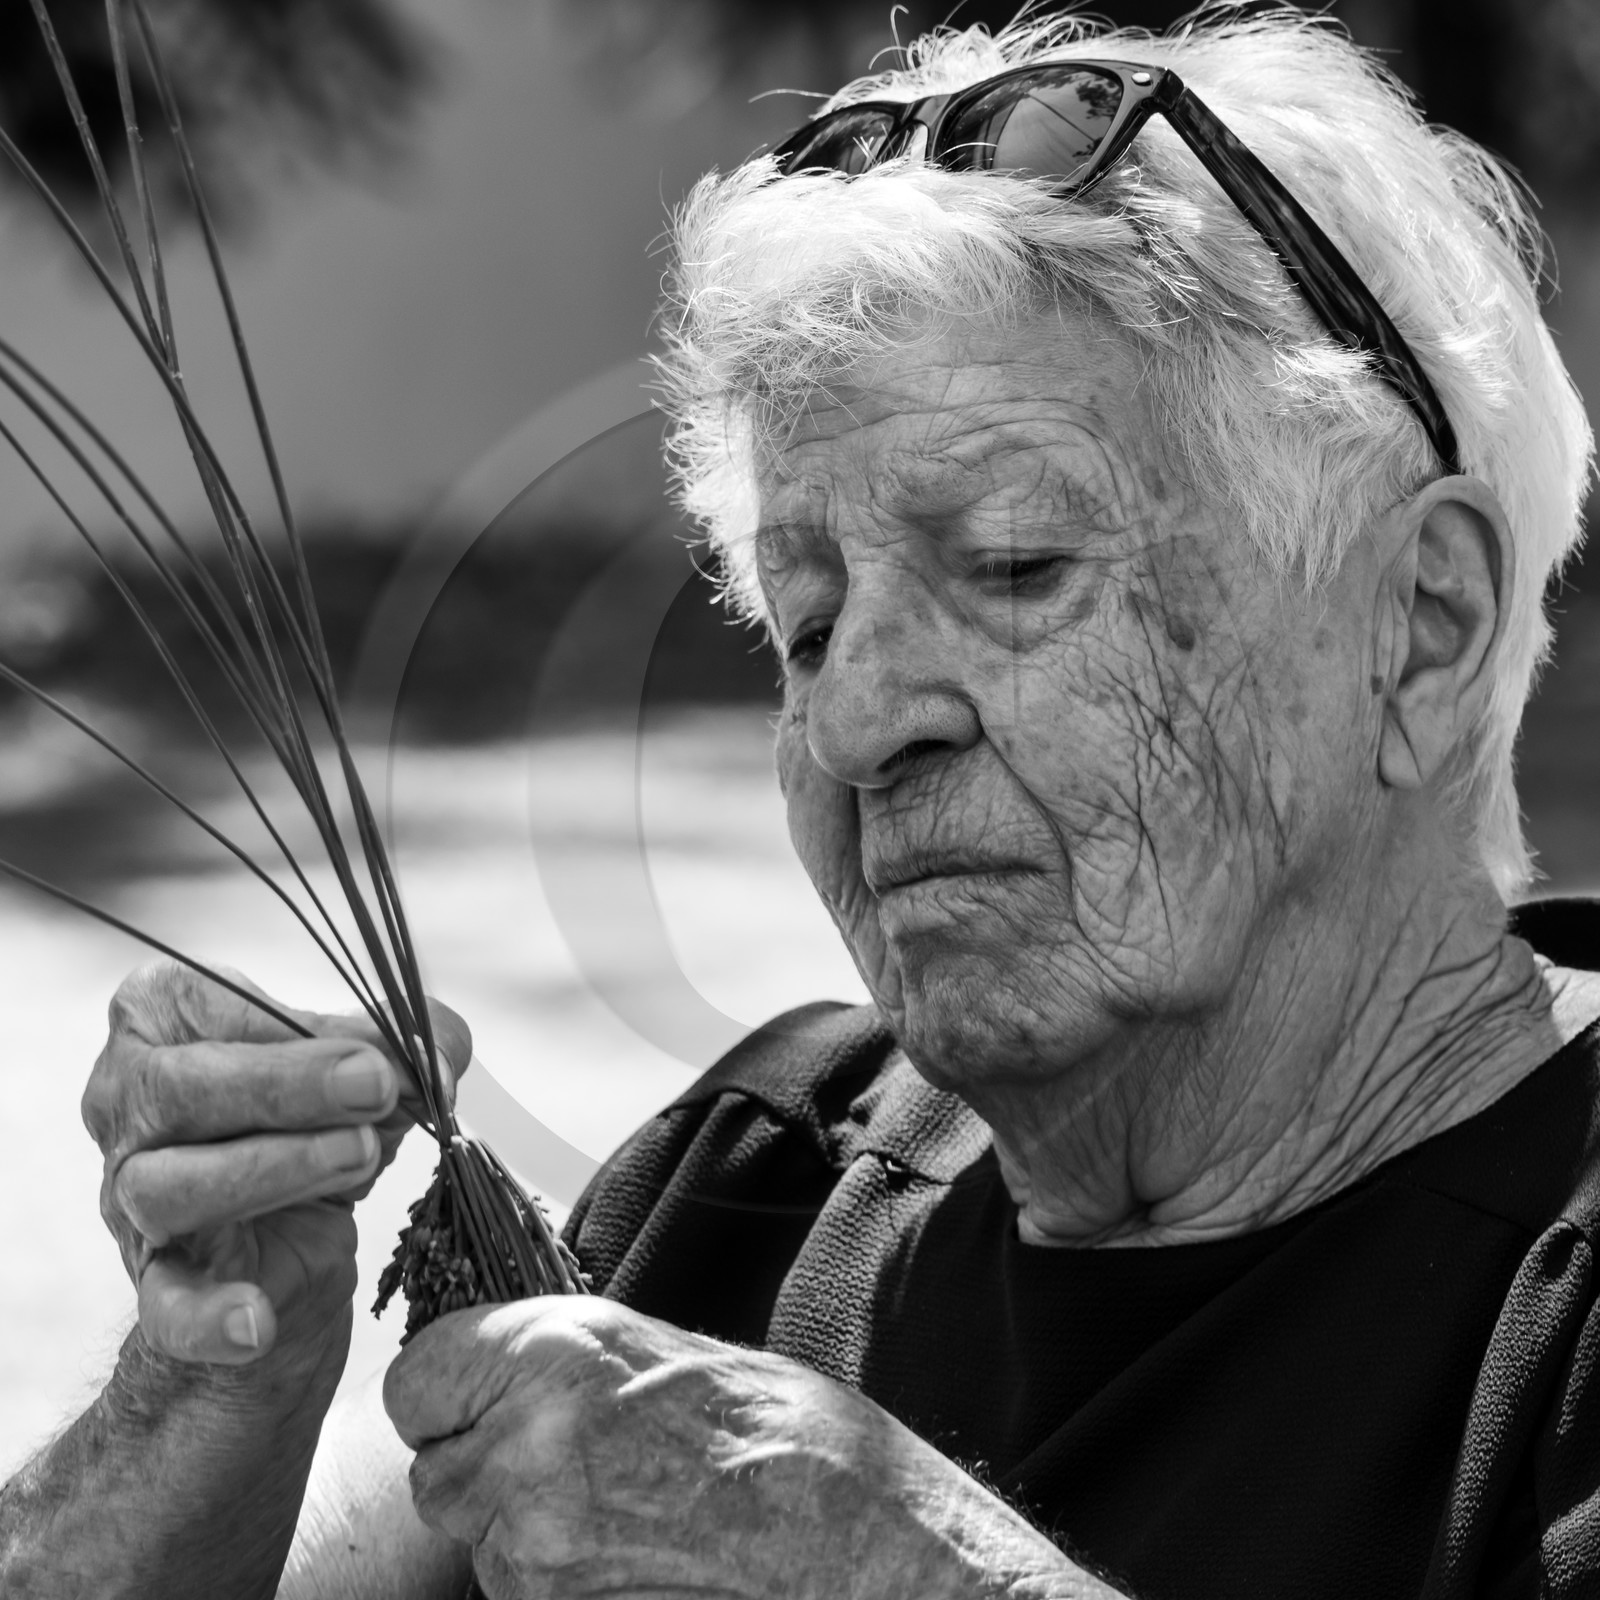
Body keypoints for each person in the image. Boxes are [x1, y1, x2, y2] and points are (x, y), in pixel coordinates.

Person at [3, 10, 1599, 1598]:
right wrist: (210, 1385)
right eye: (807, 622)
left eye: (1017, 567)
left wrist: (899, 1569)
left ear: (1420, 626)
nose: (850, 721)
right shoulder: (748, 1188)